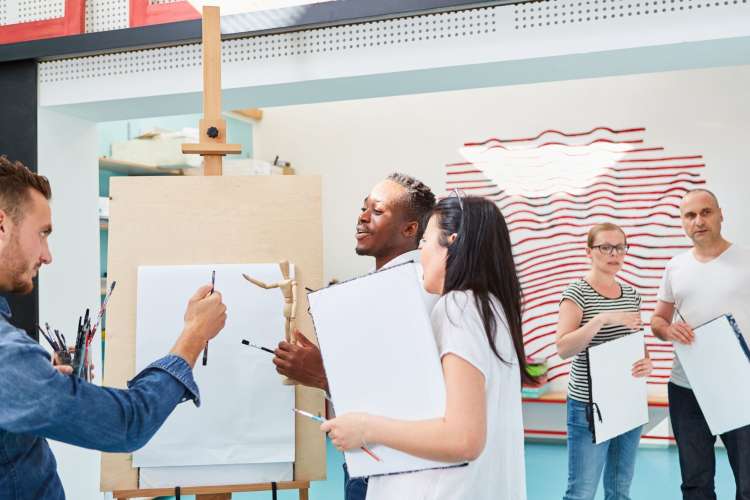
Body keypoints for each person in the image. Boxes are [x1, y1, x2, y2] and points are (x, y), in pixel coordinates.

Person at [0, 156, 228, 499]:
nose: (48, 255)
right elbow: (126, 425)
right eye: (43, 233)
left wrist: (38, 382)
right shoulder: (7, 356)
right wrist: (193, 335)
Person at [320, 195, 530, 500]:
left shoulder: (459, 307)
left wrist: (365, 428)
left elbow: (463, 439)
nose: (421, 254)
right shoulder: (491, 309)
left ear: (452, 243)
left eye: (426, 242)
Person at [273, 172, 436, 500]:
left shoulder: (405, 292)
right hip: (373, 458)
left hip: (389, 467)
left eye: (377, 211)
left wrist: (320, 373)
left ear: (410, 229)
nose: (362, 217)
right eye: (363, 209)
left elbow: (405, 397)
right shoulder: (394, 285)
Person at [650, 189, 750, 500]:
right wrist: (668, 331)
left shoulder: (746, 260)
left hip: (740, 387)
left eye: (705, 212)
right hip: (687, 389)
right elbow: (657, 321)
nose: (698, 221)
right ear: (682, 223)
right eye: (690, 215)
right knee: (696, 484)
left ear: (721, 214)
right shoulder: (675, 266)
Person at [555, 222, 652, 500]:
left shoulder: (632, 295)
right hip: (589, 406)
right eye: (605, 247)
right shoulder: (577, 293)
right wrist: (601, 318)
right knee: (581, 492)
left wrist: (647, 363)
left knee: (620, 490)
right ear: (589, 251)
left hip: (628, 402)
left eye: (620, 247)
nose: (614, 253)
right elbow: (563, 348)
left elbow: (639, 347)